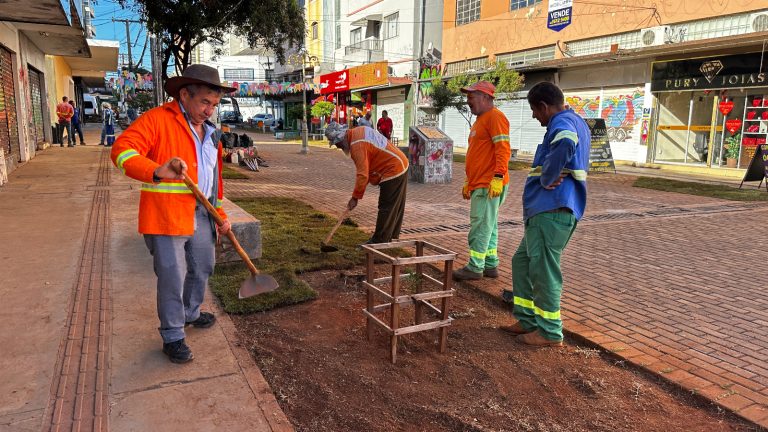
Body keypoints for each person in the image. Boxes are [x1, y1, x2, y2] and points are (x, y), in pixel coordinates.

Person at [110, 64, 235, 363]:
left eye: (214, 105)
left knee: (203, 266)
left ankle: (191, 312)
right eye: (204, 102)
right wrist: (155, 170)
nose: (209, 111)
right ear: (184, 94)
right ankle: (173, 334)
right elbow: (121, 151)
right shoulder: (157, 120)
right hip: (166, 216)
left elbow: (213, 177)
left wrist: (218, 210)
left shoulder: (211, 133)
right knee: (172, 276)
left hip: (202, 213)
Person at [502, 82, 590, 347]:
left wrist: (549, 175)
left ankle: (550, 331)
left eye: (533, 110)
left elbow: (566, 143)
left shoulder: (562, 122)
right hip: (544, 211)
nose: (533, 116)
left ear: (543, 106)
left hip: (552, 210)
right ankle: (528, 319)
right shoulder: (573, 120)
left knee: (543, 270)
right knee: (523, 262)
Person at [452, 81, 511, 282]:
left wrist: (498, 176)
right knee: (489, 224)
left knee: (480, 224)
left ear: (486, 97)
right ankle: (490, 264)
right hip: (482, 182)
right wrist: (469, 180)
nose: (468, 101)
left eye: (471, 97)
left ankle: (475, 267)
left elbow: (503, 148)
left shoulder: (495, 117)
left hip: (489, 182)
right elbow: (478, 154)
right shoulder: (481, 120)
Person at [325, 121, 408, 244]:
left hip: (393, 168)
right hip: (400, 163)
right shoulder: (359, 131)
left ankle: (379, 242)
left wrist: (355, 197)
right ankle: (389, 237)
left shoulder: (357, 145)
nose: (338, 147)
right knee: (394, 206)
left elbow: (362, 175)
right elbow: (368, 167)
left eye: (337, 144)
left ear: (342, 138)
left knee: (386, 206)